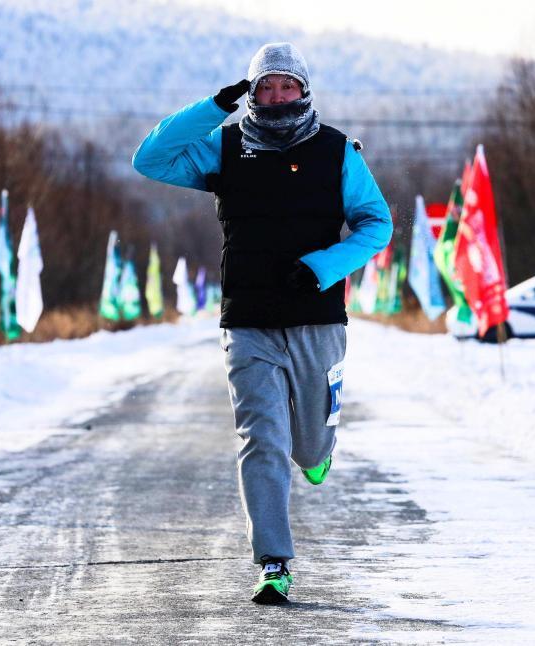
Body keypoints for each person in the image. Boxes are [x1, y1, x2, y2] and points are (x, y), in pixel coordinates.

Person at [132, 42, 392, 604]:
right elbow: (149, 159)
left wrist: (322, 268)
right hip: (247, 321)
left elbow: (378, 224)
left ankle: (318, 453)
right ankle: (273, 562)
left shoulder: (337, 151)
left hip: (316, 319)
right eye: (264, 86)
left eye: (286, 85)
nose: (276, 95)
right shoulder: (225, 148)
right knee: (261, 440)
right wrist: (212, 107)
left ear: (303, 90)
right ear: (251, 93)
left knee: (305, 444)